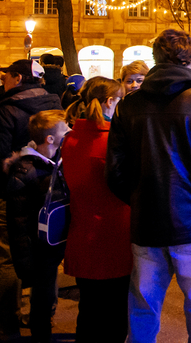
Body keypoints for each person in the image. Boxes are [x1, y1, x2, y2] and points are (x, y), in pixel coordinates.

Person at [106, 29, 191, 343]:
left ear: (156, 59)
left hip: (146, 223)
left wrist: (138, 198)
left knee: (143, 311)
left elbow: (115, 172)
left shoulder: (129, 106)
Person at [61, 77, 131, 343]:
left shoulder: (71, 139)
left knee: (88, 311)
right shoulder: (112, 143)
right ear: (110, 102)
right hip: (114, 237)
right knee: (114, 316)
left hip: (83, 235)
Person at [4, 109, 68, 343]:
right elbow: (18, 223)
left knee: (47, 292)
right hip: (38, 247)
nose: (70, 131)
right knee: (41, 296)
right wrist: (25, 262)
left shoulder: (57, 160)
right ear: (50, 139)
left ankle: (44, 323)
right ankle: (40, 335)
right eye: (65, 129)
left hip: (53, 243)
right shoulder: (26, 170)